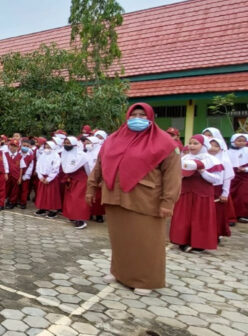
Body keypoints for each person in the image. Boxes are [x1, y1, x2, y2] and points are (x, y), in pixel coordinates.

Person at [86, 103, 181, 296]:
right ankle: (119, 272)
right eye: (134, 114)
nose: (137, 118)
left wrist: (167, 202)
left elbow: (172, 176)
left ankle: (145, 280)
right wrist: (91, 188)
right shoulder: (113, 139)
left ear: (151, 118)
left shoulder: (164, 143)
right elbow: (99, 165)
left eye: (142, 115)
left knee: (145, 241)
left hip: (145, 199)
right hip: (115, 196)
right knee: (120, 239)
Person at [170, 134, 221, 253]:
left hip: (202, 194)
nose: (192, 146)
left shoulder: (211, 159)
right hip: (186, 193)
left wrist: (202, 171)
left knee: (200, 218)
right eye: (190, 143)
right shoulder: (184, 158)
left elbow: (216, 179)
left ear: (203, 145)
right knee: (184, 217)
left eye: (195, 143)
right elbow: (176, 175)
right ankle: (182, 241)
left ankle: (199, 243)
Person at [205, 135, 235, 241]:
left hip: (218, 188)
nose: (212, 148)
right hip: (206, 187)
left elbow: (227, 178)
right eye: (210, 145)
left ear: (221, 148)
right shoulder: (205, 158)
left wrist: (225, 193)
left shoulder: (224, 160)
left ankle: (216, 233)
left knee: (217, 213)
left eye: (216, 146)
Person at [61, 136, 92, 229]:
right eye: (65, 143)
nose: (67, 145)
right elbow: (66, 167)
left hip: (80, 180)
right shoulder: (64, 153)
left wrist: (90, 179)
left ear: (74, 144)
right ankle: (72, 216)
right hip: (70, 179)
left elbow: (88, 169)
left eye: (69, 143)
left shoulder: (82, 155)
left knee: (78, 199)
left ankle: (80, 219)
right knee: (70, 198)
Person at [35, 141, 62, 217]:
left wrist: (49, 178)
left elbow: (56, 168)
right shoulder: (42, 155)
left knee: (51, 195)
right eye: (45, 147)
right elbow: (38, 166)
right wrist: (40, 176)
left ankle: (53, 210)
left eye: (49, 147)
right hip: (42, 178)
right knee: (42, 194)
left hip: (51, 178)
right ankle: (43, 208)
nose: (46, 149)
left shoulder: (56, 156)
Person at [228, 133, 248, 223]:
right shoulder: (228, 152)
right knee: (231, 194)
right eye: (239, 141)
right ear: (233, 141)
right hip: (232, 176)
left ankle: (242, 214)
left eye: (244, 141)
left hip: (244, 176)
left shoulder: (247, 151)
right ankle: (231, 214)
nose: (241, 143)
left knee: (243, 194)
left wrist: (245, 169)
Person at [16, 140, 35, 209]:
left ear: (30, 147)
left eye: (27, 146)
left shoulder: (30, 156)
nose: (25, 147)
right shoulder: (17, 153)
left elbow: (30, 167)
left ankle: (23, 203)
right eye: (24, 146)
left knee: (24, 189)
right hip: (17, 174)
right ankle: (16, 200)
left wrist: (26, 176)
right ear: (21, 146)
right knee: (17, 189)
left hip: (26, 175)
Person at [4, 140, 22, 209]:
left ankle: (12, 202)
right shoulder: (5, 154)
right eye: (11, 145)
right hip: (7, 175)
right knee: (6, 188)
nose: (12, 147)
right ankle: (6, 200)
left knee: (15, 190)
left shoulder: (20, 156)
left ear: (18, 147)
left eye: (15, 146)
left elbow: (21, 168)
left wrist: (20, 177)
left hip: (16, 176)